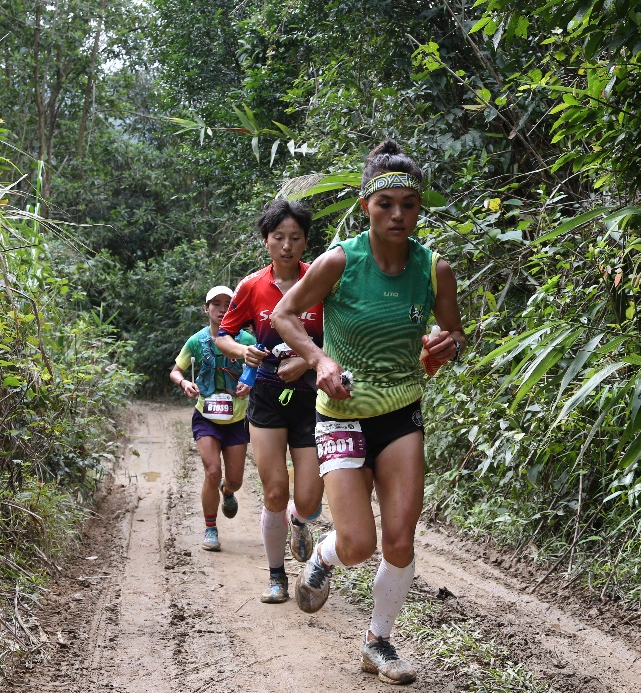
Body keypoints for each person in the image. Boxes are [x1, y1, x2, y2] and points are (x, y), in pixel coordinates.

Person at [271, 140, 465, 684]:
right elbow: (284, 315)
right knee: (358, 544)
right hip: (340, 414)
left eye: (409, 203)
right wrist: (319, 359)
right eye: (386, 204)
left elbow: (452, 334)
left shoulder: (434, 270)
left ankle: (378, 641)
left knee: (399, 538)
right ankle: (324, 558)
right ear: (366, 206)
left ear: (419, 208)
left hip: (401, 414)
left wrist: (443, 344)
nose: (398, 214)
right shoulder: (341, 261)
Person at [215, 199, 324, 604]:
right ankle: (277, 576)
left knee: (310, 499)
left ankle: (299, 522)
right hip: (266, 395)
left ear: (305, 242)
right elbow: (223, 335)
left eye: (295, 238)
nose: (286, 246)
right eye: (278, 237)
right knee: (275, 490)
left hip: (312, 396)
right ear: (266, 241)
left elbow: (339, 335)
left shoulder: (320, 279)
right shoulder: (251, 286)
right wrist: (242, 352)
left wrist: (305, 360)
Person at [170, 285, 255, 552]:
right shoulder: (196, 340)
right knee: (212, 471)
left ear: (235, 308)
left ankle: (227, 492)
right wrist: (184, 383)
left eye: (227, 303)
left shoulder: (247, 341)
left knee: (235, 480)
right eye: (215, 303)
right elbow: (175, 370)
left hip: (237, 418)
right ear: (206, 308)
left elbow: (262, 372)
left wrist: (250, 384)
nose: (221, 308)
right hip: (206, 416)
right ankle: (210, 528)